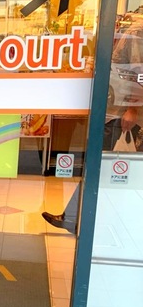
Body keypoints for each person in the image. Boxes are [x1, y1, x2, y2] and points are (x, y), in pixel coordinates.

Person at [42, 16, 143, 234]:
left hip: (121, 114)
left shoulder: (137, 29)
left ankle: (76, 219)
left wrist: (132, 108)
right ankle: (78, 218)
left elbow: (136, 73)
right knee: (111, 169)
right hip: (118, 110)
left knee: (102, 167)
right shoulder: (135, 27)